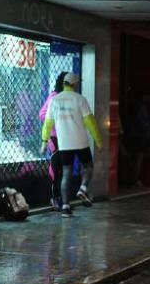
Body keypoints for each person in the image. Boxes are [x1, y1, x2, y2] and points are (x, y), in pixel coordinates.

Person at [40, 72, 102, 217]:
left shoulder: (55, 100)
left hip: (64, 143)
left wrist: (44, 141)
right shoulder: (80, 99)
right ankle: (83, 188)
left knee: (66, 173)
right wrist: (98, 140)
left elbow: (47, 123)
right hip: (80, 142)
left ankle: (66, 207)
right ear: (75, 84)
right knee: (88, 166)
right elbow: (90, 122)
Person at [38, 72, 68, 210]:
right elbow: (42, 114)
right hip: (55, 137)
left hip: (65, 137)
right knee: (56, 168)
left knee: (62, 168)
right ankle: (54, 198)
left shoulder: (67, 98)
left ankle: (61, 198)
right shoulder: (54, 97)